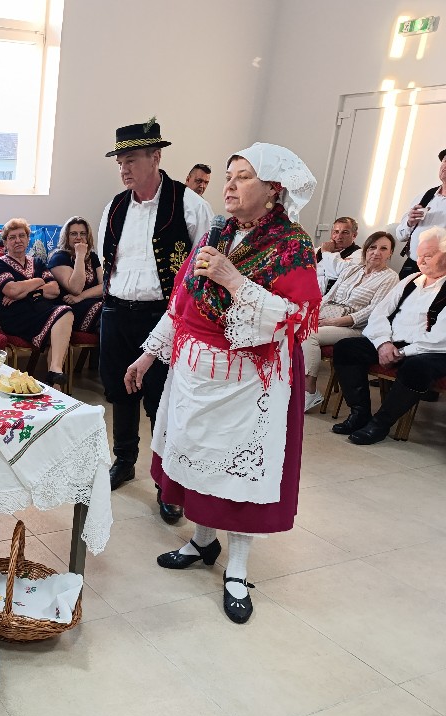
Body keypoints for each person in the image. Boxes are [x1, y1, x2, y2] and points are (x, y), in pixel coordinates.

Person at [125, 143, 320, 624]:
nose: (229, 185)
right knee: (198, 458)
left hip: (249, 384)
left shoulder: (291, 245)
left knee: (236, 474)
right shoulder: (217, 233)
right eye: (229, 176)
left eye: (243, 177)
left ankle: (237, 569)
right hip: (194, 373)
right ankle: (202, 542)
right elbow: (182, 302)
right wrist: (149, 354)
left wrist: (234, 280)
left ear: (272, 190)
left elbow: (295, 319)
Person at [97, 119, 211, 525]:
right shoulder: (114, 206)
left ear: (155, 157)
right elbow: (107, 261)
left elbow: (202, 271)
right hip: (116, 312)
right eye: (120, 163)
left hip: (162, 315)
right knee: (119, 391)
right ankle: (124, 460)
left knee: (162, 398)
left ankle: (166, 483)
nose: (124, 169)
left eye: (131, 160)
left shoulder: (190, 205)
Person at [331, 226, 446, 445]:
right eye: (419, 255)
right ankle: (359, 413)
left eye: (428, 256)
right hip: (393, 342)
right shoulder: (411, 279)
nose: (420, 261)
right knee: (346, 348)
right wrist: (383, 343)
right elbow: (379, 314)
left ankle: (380, 424)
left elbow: (441, 338)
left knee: (416, 367)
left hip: (431, 350)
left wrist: (402, 352)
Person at [301, 231, 399, 411]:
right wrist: (311, 315)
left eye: (383, 248)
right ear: (366, 249)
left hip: (357, 327)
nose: (376, 252)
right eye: (372, 247)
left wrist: (334, 322)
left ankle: (309, 391)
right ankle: (291, 384)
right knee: (292, 327)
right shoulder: (353, 269)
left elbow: (373, 311)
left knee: (309, 335)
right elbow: (329, 296)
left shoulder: (390, 277)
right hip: (329, 317)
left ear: (390, 253)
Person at [0, 218, 73, 386]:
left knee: (64, 315)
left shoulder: (38, 262)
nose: (18, 240)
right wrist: (38, 281)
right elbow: (12, 290)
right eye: (12, 237)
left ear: (28, 239)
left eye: (22, 236)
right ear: (5, 243)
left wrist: (26, 292)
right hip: (16, 318)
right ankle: (55, 375)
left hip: (40, 313)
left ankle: (55, 376)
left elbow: (55, 290)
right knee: (62, 315)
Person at [396, 148, 446, 279]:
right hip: (411, 266)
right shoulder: (425, 196)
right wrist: (409, 223)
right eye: (445, 161)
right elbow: (400, 235)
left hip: (440, 273)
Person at [48, 216, 103, 332]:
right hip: (71, 310)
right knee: (105, 312)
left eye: (83, 233)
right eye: (73, 234)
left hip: (91, 302)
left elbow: (105, 286)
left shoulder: (92, 257)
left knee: (116, 310)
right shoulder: (59, 257)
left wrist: (82, 296)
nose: (79, 237)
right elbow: (75, 289)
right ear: (66, 237)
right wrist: (80, 255)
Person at [315, 216, 361, 293]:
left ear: (354, 235)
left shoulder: (358, 254)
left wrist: (326, 253)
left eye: (345, 232)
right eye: (336, 232)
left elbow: (336, 272)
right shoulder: (319, 250)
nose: (339, 237)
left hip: (329, 296)